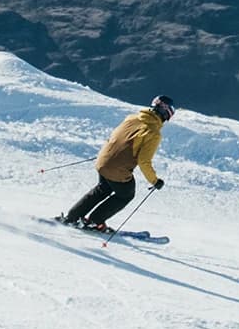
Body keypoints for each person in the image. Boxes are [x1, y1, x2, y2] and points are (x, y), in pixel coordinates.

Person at [57, 95, 174, 233]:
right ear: (165, 114)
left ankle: (72, 217)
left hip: (103, 160)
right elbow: (144, 161)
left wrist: (109, 154)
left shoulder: (131, 118)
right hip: (117, 168)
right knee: (126, 194)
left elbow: (118, 137)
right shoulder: (153, 133)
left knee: (102, 189)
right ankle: (94, 222)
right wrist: (155, 181)